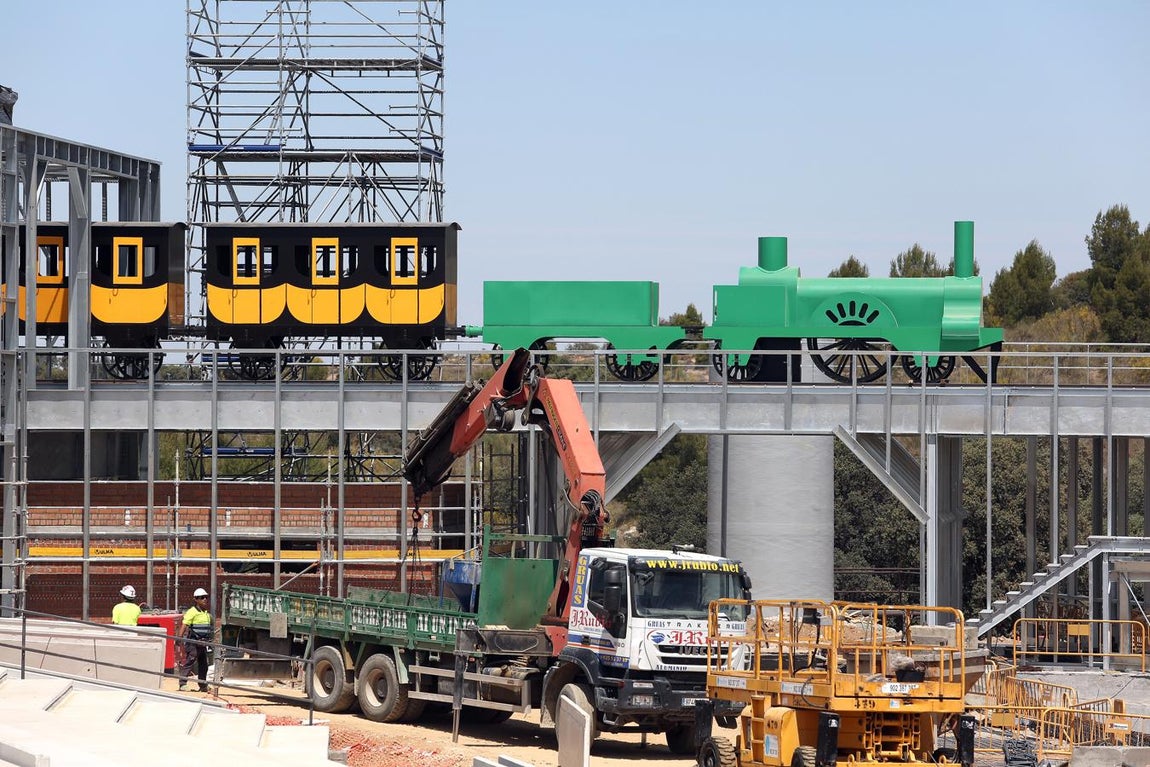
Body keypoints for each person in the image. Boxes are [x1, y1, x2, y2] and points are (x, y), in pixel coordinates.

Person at [176, 587, 214, 692]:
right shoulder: (192, 612)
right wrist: (179, 638)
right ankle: (182, 684)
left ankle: (203, 685)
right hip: (193, 642)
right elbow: (184, 625)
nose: (205, 599)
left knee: (203, 665)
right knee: (190, 661)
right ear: (196, 600)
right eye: (202, 598)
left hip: (203, 643)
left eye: (206, 597)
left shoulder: (205, 613)